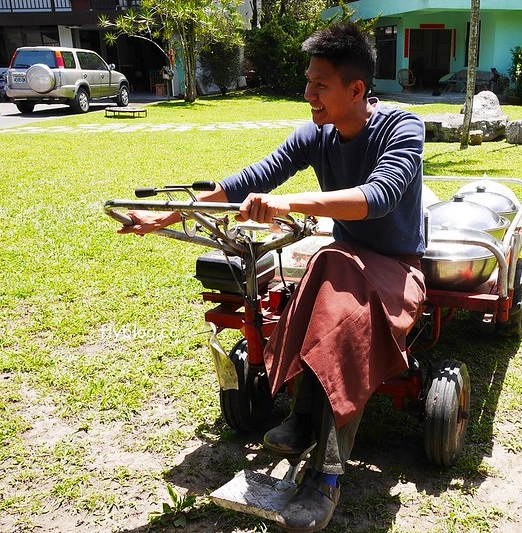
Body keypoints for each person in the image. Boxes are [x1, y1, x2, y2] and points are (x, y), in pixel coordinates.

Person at [119, 22, 426, 532]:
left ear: (356, 89)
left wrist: (288, 201)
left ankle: (325, 474)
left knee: (330, 274)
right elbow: (246, 182)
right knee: (319, 274)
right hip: (343, 266)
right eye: (308, 82)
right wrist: (165, 216)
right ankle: (305, 415)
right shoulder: (316, 135)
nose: (308, 95)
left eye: (319, 85)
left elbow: (380, 195)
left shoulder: (401, 127)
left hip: (397, 270)